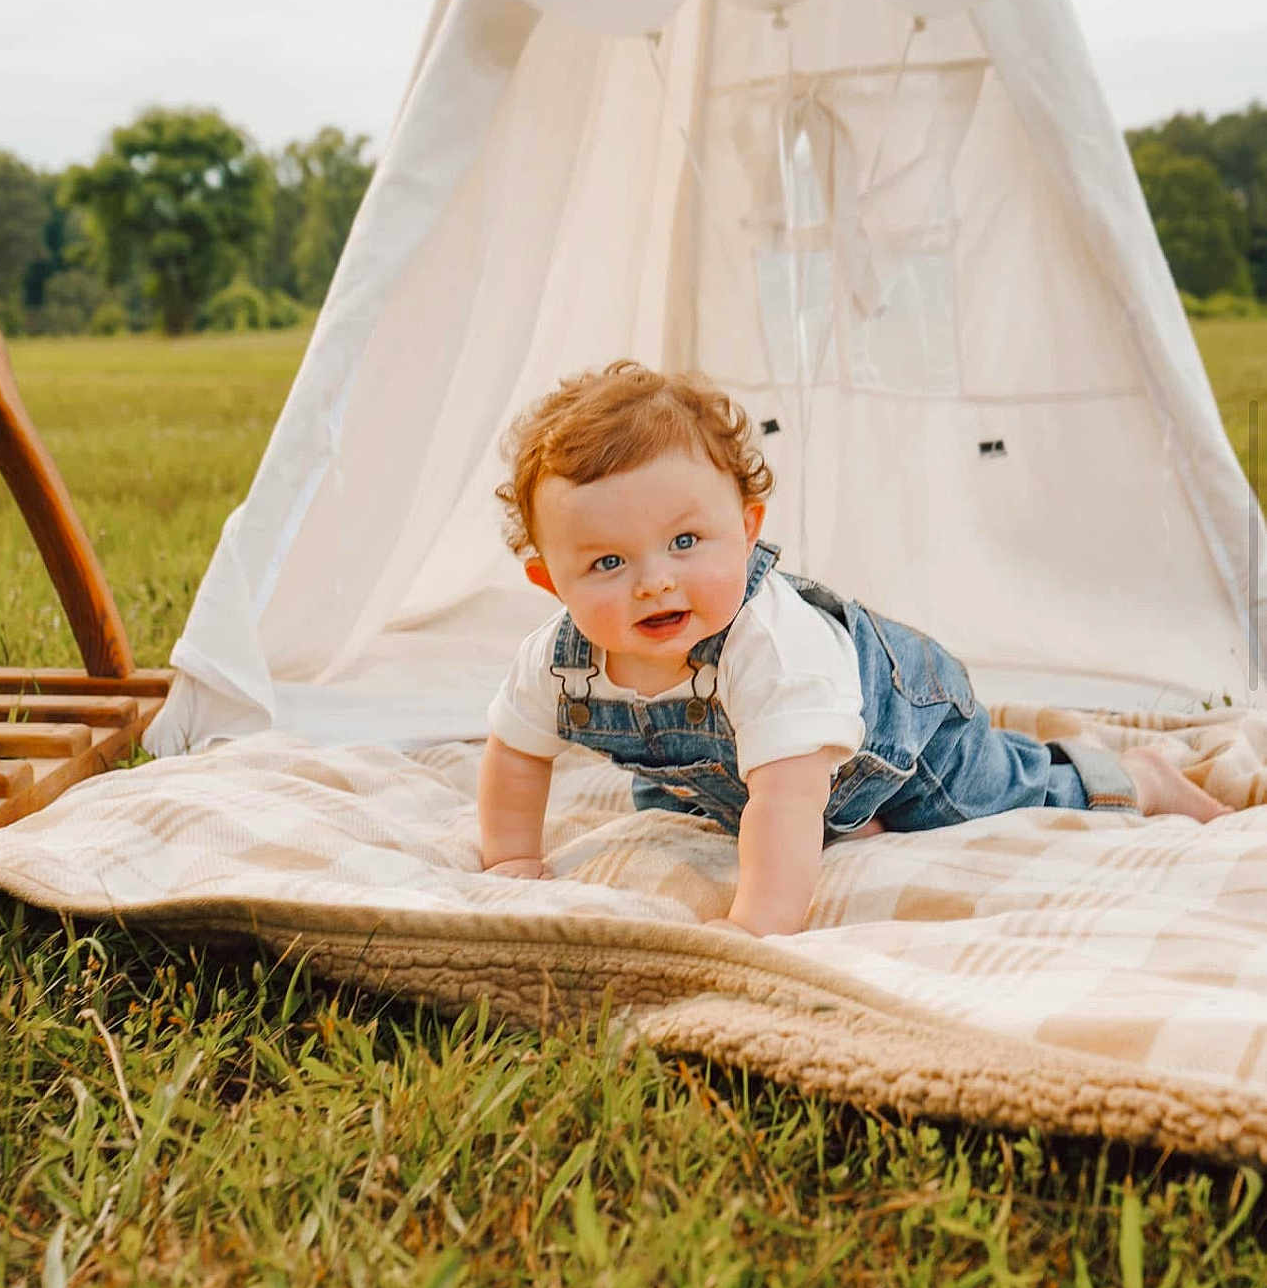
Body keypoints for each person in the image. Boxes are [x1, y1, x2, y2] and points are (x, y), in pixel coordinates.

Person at [477, 362, 1230, 938]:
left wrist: (758, 925)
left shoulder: (772, 647)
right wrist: (511, 857)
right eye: (608, 563)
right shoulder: (558, 661)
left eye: (684, 541)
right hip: (769, 771)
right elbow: (515, 753)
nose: (654, 582)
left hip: (901, 726)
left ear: (747, 527)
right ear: (551, 581)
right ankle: (846, 821)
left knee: (992, 797)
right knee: (697, 794)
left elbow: (785, 798)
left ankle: (1137, 777)